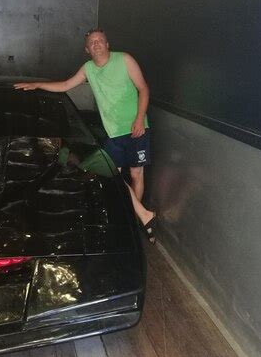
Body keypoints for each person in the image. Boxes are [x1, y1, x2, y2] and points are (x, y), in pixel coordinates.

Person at [13, 28, 156, 243]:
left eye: (100, 40)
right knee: (112, 177)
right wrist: (37, 84)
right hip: (114, 132)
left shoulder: (124, 59)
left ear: (107, 44)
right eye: (92, 42)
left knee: (136, 175)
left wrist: (139, 119)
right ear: (87, 49)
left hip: (136, 127)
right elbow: (65, 85)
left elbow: (143, 89)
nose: (97, 44)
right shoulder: (88, 69)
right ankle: (143, 215)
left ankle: (133, 223)